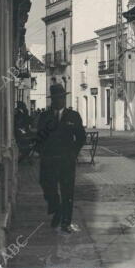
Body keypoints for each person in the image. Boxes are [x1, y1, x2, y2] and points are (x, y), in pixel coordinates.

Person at [36, 84, 86, 234]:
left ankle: (66, 222)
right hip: (49, 160)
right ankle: (56, 208)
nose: (60, 100)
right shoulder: (45, 117)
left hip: (66, 161)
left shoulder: (73, 116)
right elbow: (39, 138)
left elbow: (81, 138)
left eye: (62, 97)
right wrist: (43, 153)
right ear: (53, 100)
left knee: (67, 191)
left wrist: (73, 153)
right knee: (47, 187)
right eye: (57, 98)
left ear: (65, 98)